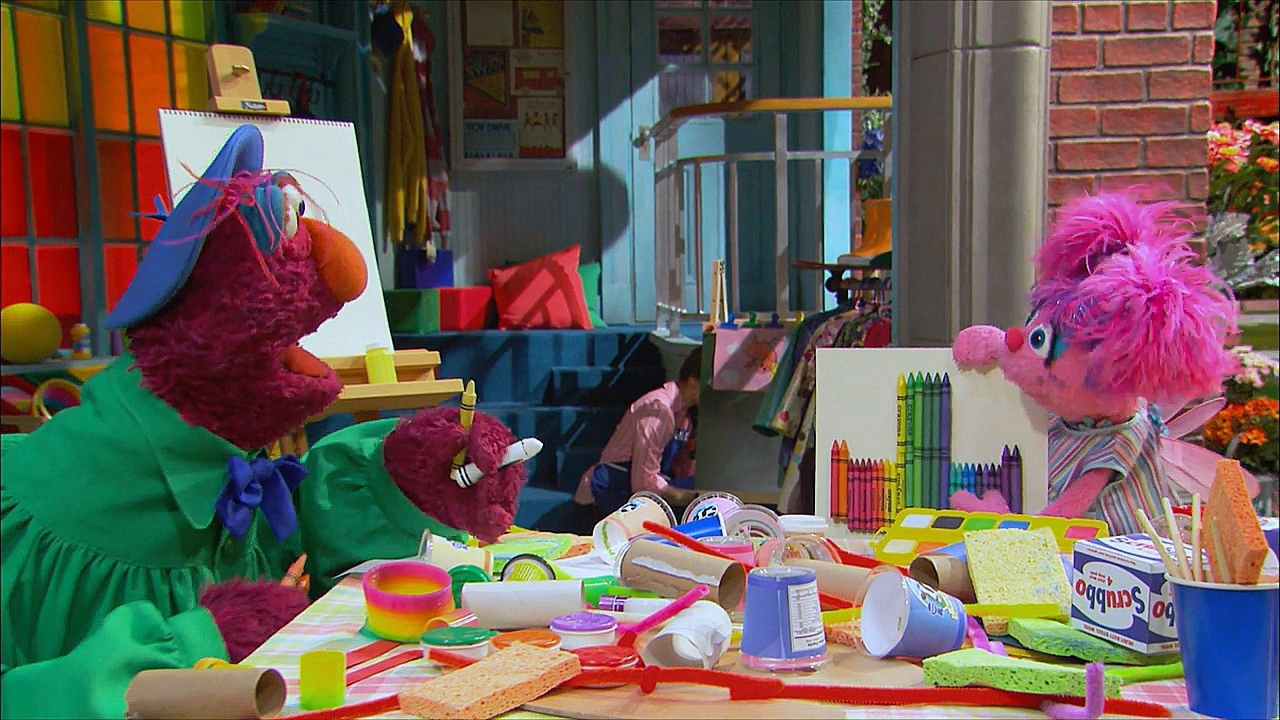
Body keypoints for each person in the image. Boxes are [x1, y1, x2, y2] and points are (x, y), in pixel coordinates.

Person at [573, 346, 703, 523]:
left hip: (644, 498)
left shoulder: (685, 417)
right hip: (607, 498)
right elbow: (643, 483)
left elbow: (680, 470)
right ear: (693, 380)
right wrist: (687, 497)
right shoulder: (658, 409)